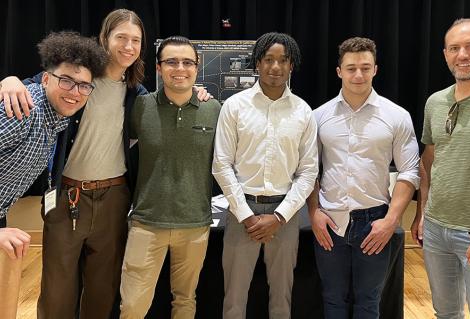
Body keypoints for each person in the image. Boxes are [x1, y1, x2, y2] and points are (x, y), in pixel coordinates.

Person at [307, 37, 419, 319]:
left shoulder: (397, 116)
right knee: (332, 299)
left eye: (365, 68)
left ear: (375, 70)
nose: (358, 75)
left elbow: (410, 171)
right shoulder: (318, 116)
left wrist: (391, 221)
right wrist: (314, 213)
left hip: (375, 222)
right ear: (339, 71)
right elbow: (308, 170)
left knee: (369, 302)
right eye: (351, 68)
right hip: (330, 222)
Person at [212, 32, 318, 319]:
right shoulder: (235, 106)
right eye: (268, 59)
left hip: (285, 212)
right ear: (257, 63)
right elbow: (221, 165)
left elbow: (308, 172)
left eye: (283, 60)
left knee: (282, 298)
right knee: (234, 298)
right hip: (240, 212)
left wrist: (280, 216)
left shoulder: (303, 112)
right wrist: (246, 215)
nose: (275, 66)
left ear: (291, 65)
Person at [119, 36, 221, 319]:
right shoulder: (140, 107)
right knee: (132, 306)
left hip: (195, 224)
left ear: (197, 68)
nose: (180, 68)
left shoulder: (214, 110)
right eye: (171, 61)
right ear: (159, 67)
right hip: (146, 223)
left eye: (187, 62)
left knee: (186, 301)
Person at [0, 31, 107, 260]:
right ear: (46, 79)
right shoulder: (23, 110)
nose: (75, 93)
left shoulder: (57, 120)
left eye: (84, 86)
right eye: (66, 81)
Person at [411, 18, 470, 319]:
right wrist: (423, 212)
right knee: (446, 313)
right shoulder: (434, 103)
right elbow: (429, 160)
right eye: (455, 48)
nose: (463, 54)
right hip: (437, 231)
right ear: (445, 54)